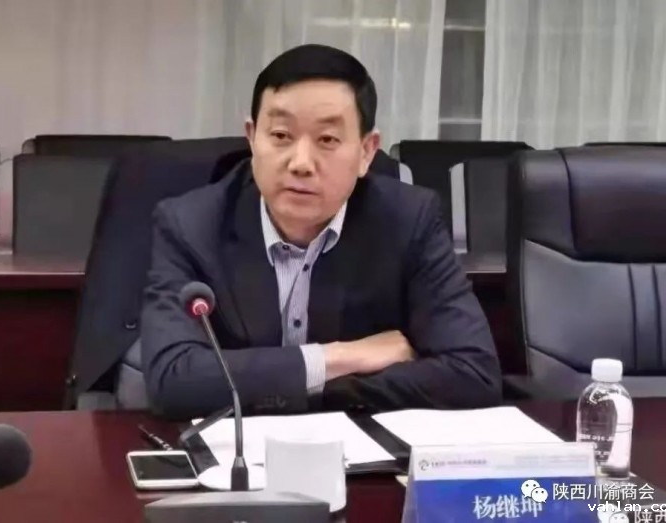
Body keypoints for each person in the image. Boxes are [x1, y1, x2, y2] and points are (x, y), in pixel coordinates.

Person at [141, 43, 502, 419]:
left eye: (327, 140)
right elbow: (173, 381)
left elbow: (473, 373)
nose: (300, 163)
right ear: (251, 137)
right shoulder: (189, 225)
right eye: (281, 135)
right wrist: (340, 358)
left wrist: (316, 391)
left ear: (366, 151)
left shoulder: (409, 220)